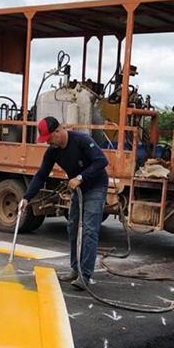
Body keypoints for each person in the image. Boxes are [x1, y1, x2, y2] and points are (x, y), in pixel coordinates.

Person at [20, 117, 109, 290]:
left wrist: (81, 177)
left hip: (96, 186)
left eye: (49, 138)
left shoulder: (82, 140)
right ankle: (75, 269)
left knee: (90, 230)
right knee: (73, 226)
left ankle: (85, 275)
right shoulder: (53, 151)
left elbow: (101, 161)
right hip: (78, 189)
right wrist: (26, 197)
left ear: (58, 131)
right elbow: (41, 175)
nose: (48, 143)